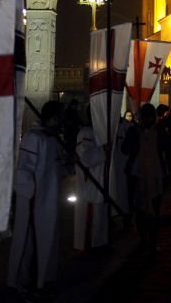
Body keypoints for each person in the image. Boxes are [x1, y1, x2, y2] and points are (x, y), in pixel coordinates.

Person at [7, 101, 71, 293]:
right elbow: (24, 170)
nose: (61, 121)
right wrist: (33, 193)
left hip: (48, 202)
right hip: (35, 204)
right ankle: (28, 283)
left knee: (46, 242)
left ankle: (43, 280)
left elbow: (57, 169)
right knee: (33, 244)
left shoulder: (51, 139)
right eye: (59, 117)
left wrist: (69, 163)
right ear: (51, 117)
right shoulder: (34, 138)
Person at [123, 103, 170, 257]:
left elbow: (125, 149)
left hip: (146, 173)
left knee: (145, 209)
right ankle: (148, 241)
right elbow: (126, 149)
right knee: (147, 208)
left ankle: (147, 241)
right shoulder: (142, 131)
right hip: (146, 173)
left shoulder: (143, 131)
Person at [73, 105, 109, 251]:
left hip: (101, 179)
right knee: (91, 216)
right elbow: (86, 158)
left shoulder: (101, 132)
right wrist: (103, 151)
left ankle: (100, 243)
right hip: (91, 183)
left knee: (100, 215)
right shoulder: (86, 133)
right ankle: (90, 246)